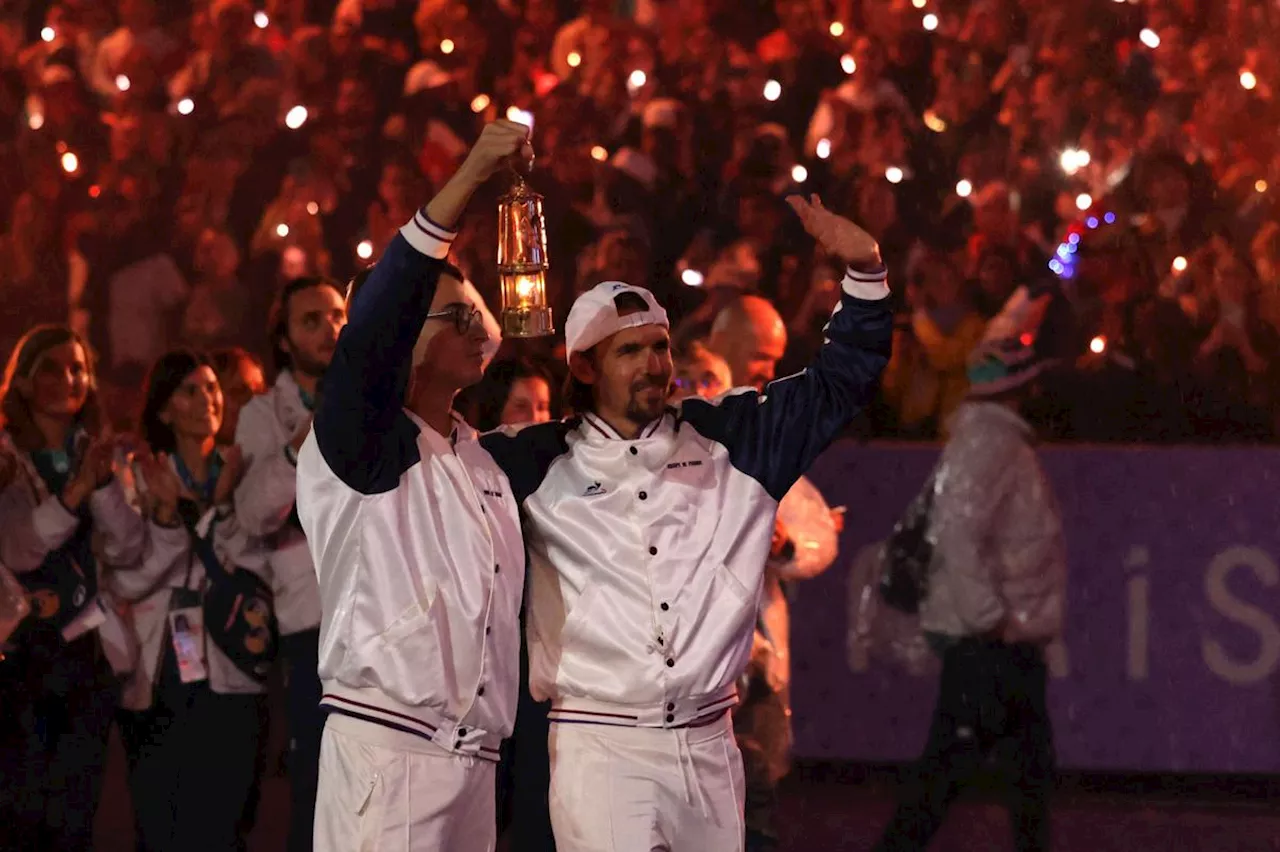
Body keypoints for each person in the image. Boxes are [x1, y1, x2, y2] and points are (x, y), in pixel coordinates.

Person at [478, 194, 893, 851]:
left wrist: (865, 271)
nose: (653, 364)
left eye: (660, 347)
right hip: (600, 744)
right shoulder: (531, 459)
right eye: (629, 352)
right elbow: (417, 451)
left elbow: (839, 384)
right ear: (583, 368)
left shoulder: (733, 438)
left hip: (708, 741)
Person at [295, 119, 533, 852]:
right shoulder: (357, 442)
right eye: (453, 314)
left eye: (475, 314)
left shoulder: (480, 458)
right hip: (390, 751)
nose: (477, 327)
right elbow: (373, 326)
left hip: (475, 761)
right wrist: (465, 181)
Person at [873, 286, 1068, 852]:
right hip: (990, 643)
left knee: (1018, 773)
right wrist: (987, 615)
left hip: (999, 641)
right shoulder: (991, 444)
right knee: (952, 775)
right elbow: (958, 533)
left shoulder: (989, 440)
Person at [0, 325, 149, 851]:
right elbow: (20, 547)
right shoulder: (7, 459)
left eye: (79, 368)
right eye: (55, 368)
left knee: (75, 810)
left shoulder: (100, 455)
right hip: (20, 652)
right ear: (22, 384)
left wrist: (102, 485)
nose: (71, 378)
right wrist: (77, 491)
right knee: (21, 809)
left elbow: (132, 547)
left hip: (86, 653)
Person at [114, 349, 268, 852]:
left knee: (224, 823)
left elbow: (252, 566)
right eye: (190, 390)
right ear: (164, 409)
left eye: (212, 388)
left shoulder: (240, 470)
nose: (208, 399)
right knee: (161, 823)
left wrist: (216, 506)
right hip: (162, 674)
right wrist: (163, 518)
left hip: (233, 667)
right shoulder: (139, 477)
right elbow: (129, 581)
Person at [705, 298, 843, 852]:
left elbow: (818, 537)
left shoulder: (767, 426)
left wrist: (784, 544)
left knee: (756, 803)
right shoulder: (677, 425)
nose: (769, 369)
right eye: (763, 356)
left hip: (753, 663)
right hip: (690, 662)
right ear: (727, 345)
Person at [232, 275, 347, 852]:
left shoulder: (374, 396)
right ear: (282, 339)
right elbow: (253, 514)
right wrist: (298, 446)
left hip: (380, 613)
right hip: (310, 624)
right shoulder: (262, 414)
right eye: (312, 320)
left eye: (337, 314)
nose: (331, 328)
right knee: (317, 785)